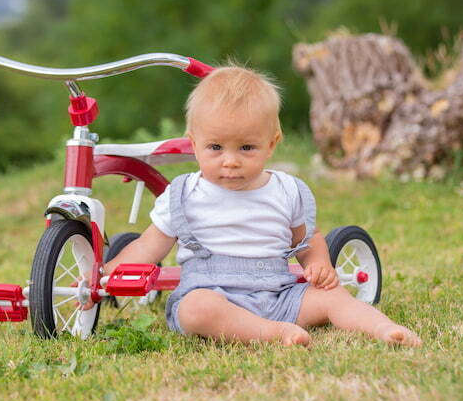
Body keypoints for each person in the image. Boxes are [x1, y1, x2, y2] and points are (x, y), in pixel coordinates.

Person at [92, 64, 421, 348]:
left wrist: (319, 262)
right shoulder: (184, 193)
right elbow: (149, 246)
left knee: (333, 298)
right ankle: (270, 333)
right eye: (216, 147)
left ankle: (383, 328)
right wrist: (106, 273)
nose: (230, 161)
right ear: (194, 144)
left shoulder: (286, 190)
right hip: (212, 293)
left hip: (280, 296)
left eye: (246, 147)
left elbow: (307, 239)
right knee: (196, 310)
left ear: (271, 144)